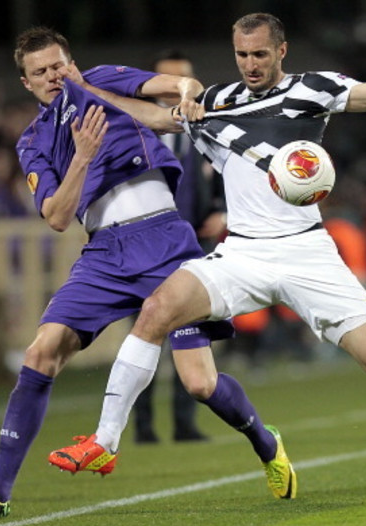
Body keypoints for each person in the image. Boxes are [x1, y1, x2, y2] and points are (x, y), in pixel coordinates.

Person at [51, 12, 366, 495]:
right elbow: (155, 116)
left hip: (307, 252)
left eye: (260, 54)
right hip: (242, 254)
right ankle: (105, 441)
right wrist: (81, 88)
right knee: (157, 309)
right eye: (242, 55)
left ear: (281, 51)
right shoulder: (216, 100)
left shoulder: (314, 90)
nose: (251, 64)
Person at [0, 26, 245, 520]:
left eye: (57, 65)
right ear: (26, 82)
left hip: (165, 239)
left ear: (71, 62)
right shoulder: (34, 142)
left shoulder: (102, 81)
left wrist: (188, 93)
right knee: (41, 352)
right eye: (39, 72)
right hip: (104, 253)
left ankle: (263, 441)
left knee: (198, 384)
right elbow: (58, 217)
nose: (51, 77)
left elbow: (169, 87)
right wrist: (81, 157)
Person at [132, 50, 225, 444]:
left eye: (182, 81)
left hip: (196, 243)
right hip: (149, 247)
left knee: (193, 335)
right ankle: (143, 427)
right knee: (146, 335)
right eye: (166, 82)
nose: (174, 91)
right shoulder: (134, 128)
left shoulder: (208, 127)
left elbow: (228, 173)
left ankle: (186, 423)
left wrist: (223, 212)